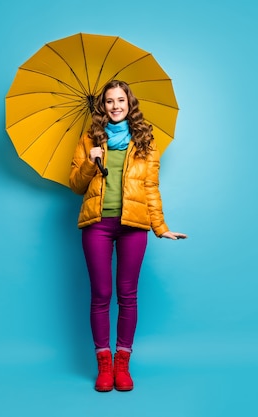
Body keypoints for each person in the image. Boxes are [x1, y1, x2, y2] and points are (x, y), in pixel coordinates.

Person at [69, 80, 186, 392]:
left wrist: (160, 227)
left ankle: (123, 363)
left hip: (133, 225)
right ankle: (104, 365)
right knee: (101, 295)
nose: (115, 106)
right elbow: (75, 185)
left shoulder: (145, 142)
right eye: (109, 101)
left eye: (121, 100)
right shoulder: (89, 140)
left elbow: (150, 188)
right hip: (97, 224)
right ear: (102, 106)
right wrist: (90, 164)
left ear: (129, 104)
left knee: (127, 295)